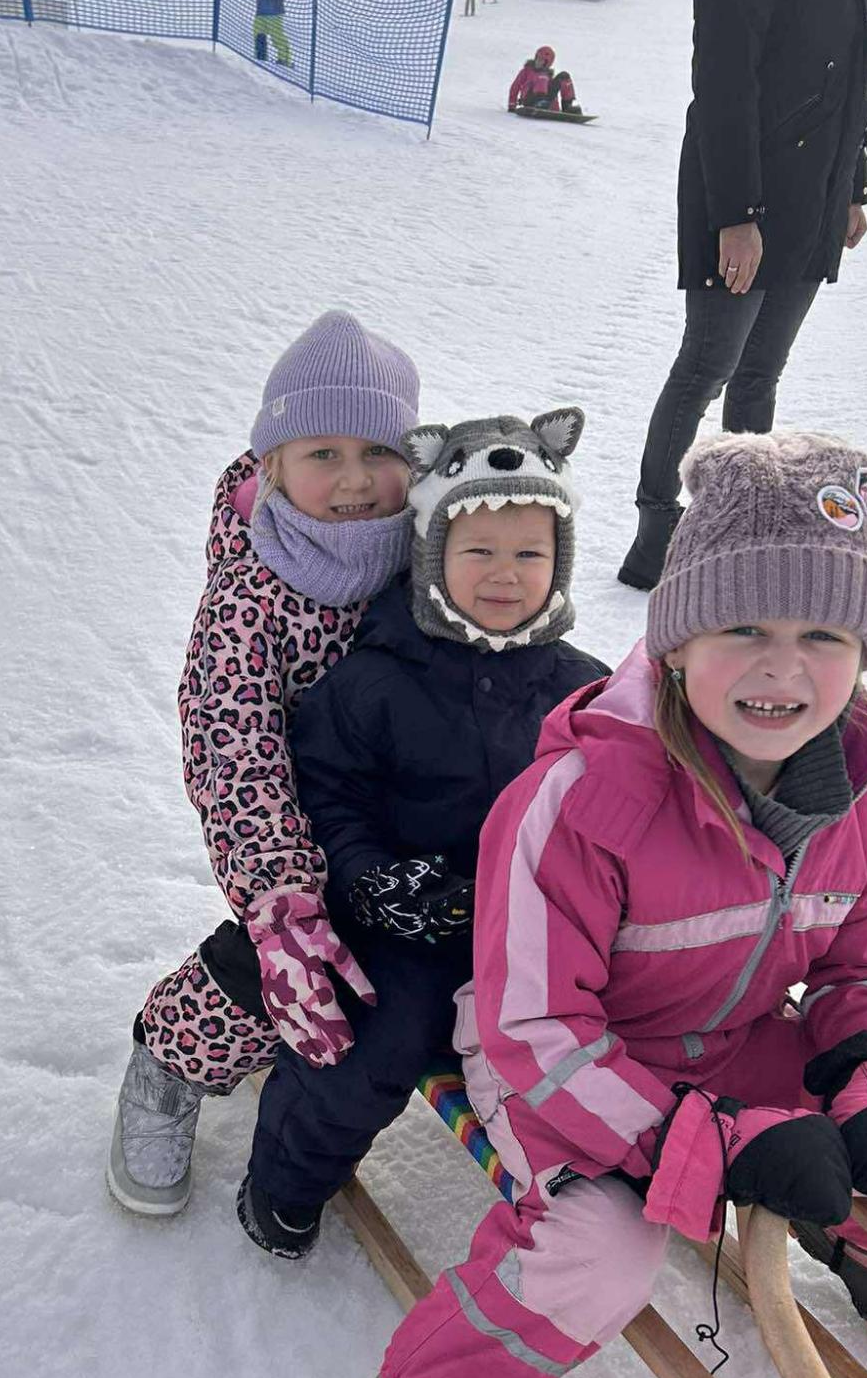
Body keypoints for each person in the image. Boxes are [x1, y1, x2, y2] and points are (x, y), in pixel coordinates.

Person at [309, 432, 867, 1378]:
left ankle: (857, 1229)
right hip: (560, 1066)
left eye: (824, 635)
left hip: (729, 1041)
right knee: (600, 1256)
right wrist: (705, 1143)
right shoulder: (581, 800)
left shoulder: (864, 799)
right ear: (675, 638)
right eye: (743, 628)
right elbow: (535, 1027)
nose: (782, 669)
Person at [237, 415, 609, 1258]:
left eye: (530, 553)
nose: (506, 575)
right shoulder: (372, 680)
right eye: (479, 552)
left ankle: (604, 1161)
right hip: (408, 926)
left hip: (538, 933)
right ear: (434, 554)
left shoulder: (585, 688)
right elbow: (328, 797)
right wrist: (370, 880)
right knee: (374, 1043)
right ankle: (287, 1179)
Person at [106, 313, 420, 1218]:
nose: (355, 479)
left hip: (408, 825)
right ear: (273, 465)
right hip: (287, 829)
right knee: (284, 967)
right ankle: (171, 1056)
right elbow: (232, 752)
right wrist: (280, 896)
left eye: (379, 451)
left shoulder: (434, 558)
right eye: (324, 454)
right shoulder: (251, 596)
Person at [619, 0, 867, 592]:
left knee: (761, 372)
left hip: (815, 192)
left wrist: (853, 183)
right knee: (710, 364)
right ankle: (658, 534)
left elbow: (856, 71)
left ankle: (739, 522)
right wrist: (735, 213)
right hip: (742, 188)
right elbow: (724, 71)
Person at [508, 46, 581, 115]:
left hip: (546, 103)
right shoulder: (526, 71)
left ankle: (567, 106)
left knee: (564, 76)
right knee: (542, 77)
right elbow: (515, 86)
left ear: (547, 63)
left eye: (542, 60)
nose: (538, 62)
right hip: (530, 99)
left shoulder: (548, 75)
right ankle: (539, 102)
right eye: (537, 59)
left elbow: (552, 93)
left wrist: (555, 108)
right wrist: (512, 105)